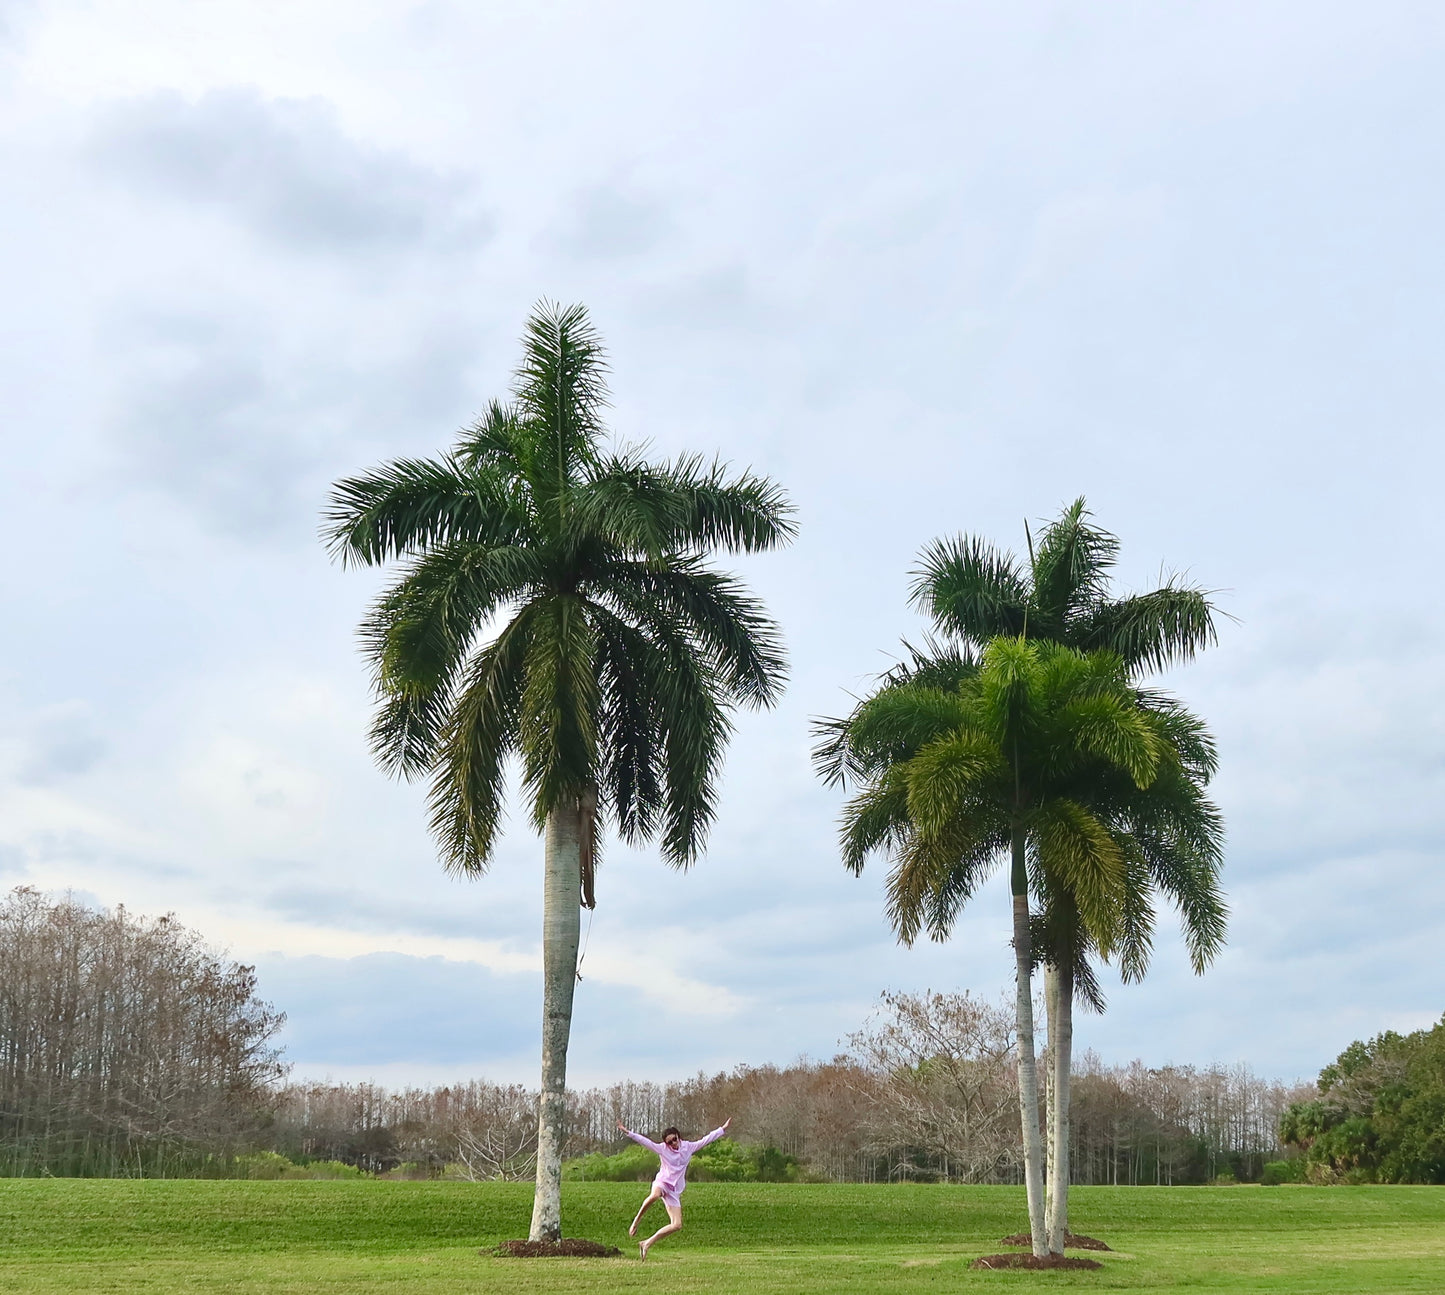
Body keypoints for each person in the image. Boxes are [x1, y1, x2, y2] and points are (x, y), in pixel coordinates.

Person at [616, 1116, 731, 1259]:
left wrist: (722, 1129)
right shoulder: (663, 1149)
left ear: (678, 1136)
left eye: (674, 1139)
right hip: (662, 1182)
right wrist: (628, 1132)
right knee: (655, 1195)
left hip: (674, 1189)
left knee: (677, 1225)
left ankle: (646, 1243)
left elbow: (706, 1140)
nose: (673, 1144)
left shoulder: (688, 1147)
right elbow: (646, 1142)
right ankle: (636, 1221)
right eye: (669, 1142)